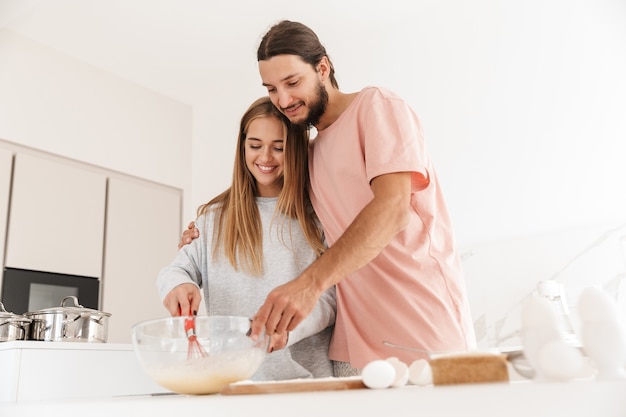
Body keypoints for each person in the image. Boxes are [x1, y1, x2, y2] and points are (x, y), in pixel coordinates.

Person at [182, 20, 476, 376]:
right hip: (354, 344)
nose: (284, 100)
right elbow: (266, 198)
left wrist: (309, 284)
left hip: (421, 322)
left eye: (292, 82)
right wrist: (204, 230)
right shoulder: (308, 152)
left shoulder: (377, 106)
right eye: (272, 88)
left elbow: (393, 208)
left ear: (323, 67)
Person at [159, 96, 336, 381]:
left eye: (278, 148)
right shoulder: (213, 219)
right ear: (242, 147)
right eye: (255, 146)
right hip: (230, 381)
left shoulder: (318, 218)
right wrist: (178, 284)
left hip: (305, 383)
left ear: (295, 150)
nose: (265, 158)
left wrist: (288, 329)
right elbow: (177, 269)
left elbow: (330, 301)